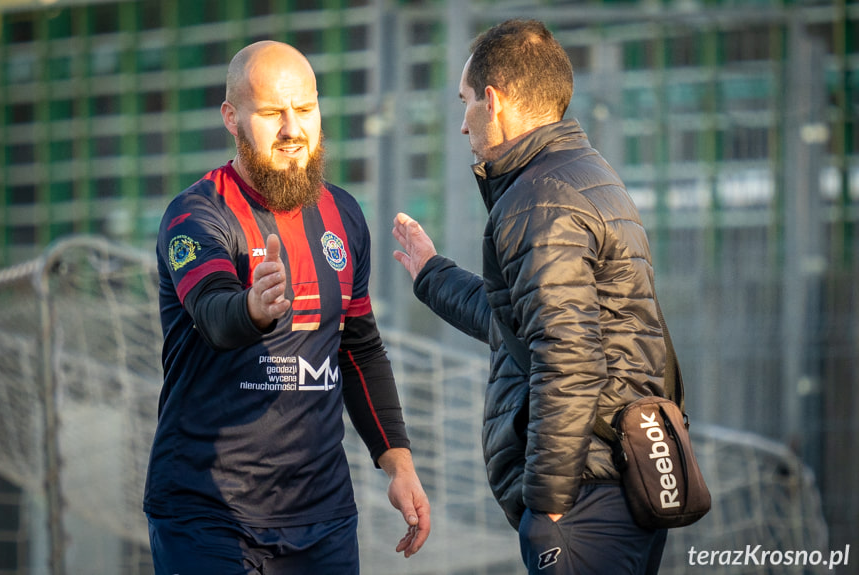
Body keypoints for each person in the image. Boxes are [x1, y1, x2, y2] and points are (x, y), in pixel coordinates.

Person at [392, 19, 667, 574]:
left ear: (493, 102)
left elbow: (569, 360)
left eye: (465, 101)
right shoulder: (582, 176)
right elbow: (520, 325)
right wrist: (432, 274)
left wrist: (547, 504)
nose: (461, 123)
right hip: (615, 482)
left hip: (585, 497)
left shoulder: (540, 199)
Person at [144, 40, 430, 574]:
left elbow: (359, 351)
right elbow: (213, 317)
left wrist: (398, 462)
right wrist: (253, 308)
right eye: (273, 113)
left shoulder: (344, 214)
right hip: (208, 515)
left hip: (322, 517)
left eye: (305, 109)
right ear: (232, 117)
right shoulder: (196, 215)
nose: (293, 130)